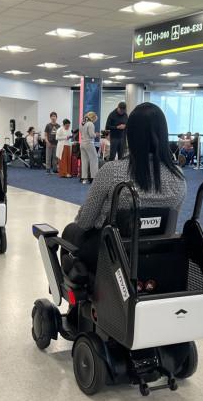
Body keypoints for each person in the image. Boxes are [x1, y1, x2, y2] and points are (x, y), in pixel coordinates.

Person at [62, 102, 186, 273]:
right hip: (156, 254)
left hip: (111, 255)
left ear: (130, 134)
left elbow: (85, 222)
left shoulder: (112, 171)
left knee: (71, 231)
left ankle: (75, 287)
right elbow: (171, 224)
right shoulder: (178, 176)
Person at [80, 112, 99, 184]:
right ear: (93, 118)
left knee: (84, 161)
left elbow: (81, 132)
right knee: (94, 159)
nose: (95, 121)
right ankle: (93, 178)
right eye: (95, 119)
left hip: (82, 143)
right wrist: (96, 134)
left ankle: (84, 178)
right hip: (89, 143)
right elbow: (91, 135)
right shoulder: (90, 124)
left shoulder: (82, 123)